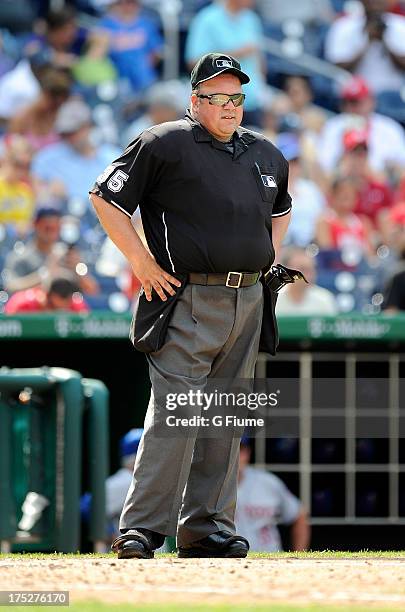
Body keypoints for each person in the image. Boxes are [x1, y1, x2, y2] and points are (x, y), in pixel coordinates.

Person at [89, 52, 292, 559]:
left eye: (236, 97)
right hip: (186, 294)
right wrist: (140, 262)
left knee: (225, 417)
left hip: (247, 296)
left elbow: (281, 211)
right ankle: (142, 529)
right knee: (177, 413)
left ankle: (207, 529)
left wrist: (266, 261)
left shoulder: (265, 152)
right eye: (217, 97)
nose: (229, 106)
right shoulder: (165, 142)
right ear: (195, 98)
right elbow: (106, 198)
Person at [185, 0, 266, 127]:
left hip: (252, 100)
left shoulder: (252, 19)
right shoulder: (207, 19)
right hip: (219, 103)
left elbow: (259, 60)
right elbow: (193, 62)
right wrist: (237, 53)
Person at [32, 98, 120, 204]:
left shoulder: (112, 157)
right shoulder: (47, 158)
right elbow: (34, 195)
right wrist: (48, 193)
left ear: (87, 127)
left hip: (101, 217)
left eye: (73, 132)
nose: (70, 138)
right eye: (65, 133)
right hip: (63, 216)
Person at [317, 76, 405, 176]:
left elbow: (402, 166)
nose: (350, 108)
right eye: (345, 102)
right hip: (343, 185)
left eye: (355, 102)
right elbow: (324, 166)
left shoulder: (390, 128)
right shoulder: (333, 127)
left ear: (371, 101)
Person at [235, 438, 310, 552]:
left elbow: (299, 514)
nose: (236, 456)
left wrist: (299, 557)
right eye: (231, 451)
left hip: (270, 559)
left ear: (248, 453)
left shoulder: (268, 482)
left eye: (240, 450)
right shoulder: (208, 487)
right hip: (227, 562)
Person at [3, 206, 99, 295]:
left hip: (65, 311)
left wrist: (78, 269)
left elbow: (92, 290)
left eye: (55, 228)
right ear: (36, 225)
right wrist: (45, 273)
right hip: (32, 311)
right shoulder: (19, 256)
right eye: (47, 228)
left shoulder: (66, 254)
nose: (51, 233)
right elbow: (10, 288)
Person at [324, 0, 405, 94]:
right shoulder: (343, 26)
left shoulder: (401, 25)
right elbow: (337, 68)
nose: (374, 3)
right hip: (355, 96)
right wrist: (367, 42)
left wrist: (385, 41)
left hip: (393, 95)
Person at [98, 0, 163, 95]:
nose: (127, 6)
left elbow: (157, 51)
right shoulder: (106, 25)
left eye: (131, 2)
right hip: (116, 81)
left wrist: (145, 65)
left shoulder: (147, 24)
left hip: (145, 81)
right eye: (122, 3)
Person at [276, 247, 338, 316]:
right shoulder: (274, 299)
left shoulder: (324, 299)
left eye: (312, 269)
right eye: (303, 269)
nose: (309, 274)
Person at [0, 136, 35, 235]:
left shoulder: (26, 191)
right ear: (6, 160)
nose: (22, 171)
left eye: (27, 166)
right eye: (18, 164)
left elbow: (28, 220)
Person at [4, 276, 89, 313]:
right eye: (63, 297)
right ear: (51, 295)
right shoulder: (24, 302)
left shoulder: (75, 303)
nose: (68, 302)